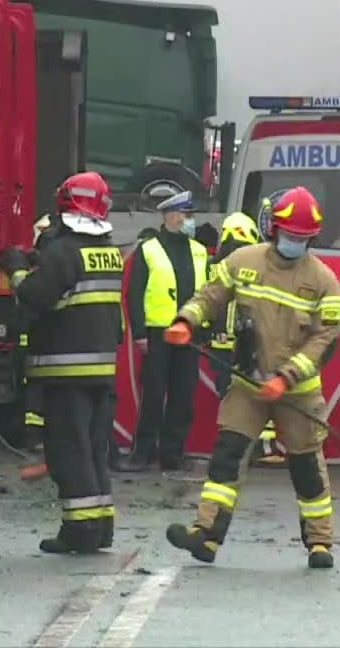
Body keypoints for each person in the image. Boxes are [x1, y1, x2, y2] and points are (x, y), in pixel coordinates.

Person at [164, 186, 340, 569]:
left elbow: (324, 341)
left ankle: (320, 543)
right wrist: (186, 321)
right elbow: (210, 296)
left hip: (298, 392)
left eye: (303, 238)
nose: (295, 243)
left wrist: (286, 377)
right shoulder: (243, 261)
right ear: (274, 229)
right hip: (248, 384)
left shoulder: (324, 281)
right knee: (227, 456)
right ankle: (207, 534)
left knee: (306, 467)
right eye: (290, 235)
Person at [2, 171, 124, 554]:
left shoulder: (63, 252)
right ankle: (101, 527)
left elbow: (35, 296)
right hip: (101, 370)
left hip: (65, 371)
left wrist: (16, 268)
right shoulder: (109, 251)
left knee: (69, 453)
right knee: (94, 451)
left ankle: (81, 531)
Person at [119, 190, 209, 472]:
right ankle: (143, 453)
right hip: (158, 334)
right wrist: (140, 333)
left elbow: (207, 293)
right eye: (186, 214)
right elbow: (135, 294)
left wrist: (205, 328)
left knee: (183, 397)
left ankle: (172, 455)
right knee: (154, 396)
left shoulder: (199, 250)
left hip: (189, 333)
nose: (190, 220)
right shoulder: (149, 249)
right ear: (170, 216)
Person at [208, 212, 285, 467]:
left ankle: (241, 449)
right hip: (246, 344)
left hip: (222, 346)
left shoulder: (216, 268)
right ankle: (259, 448)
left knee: (233, 399)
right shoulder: (252, 267)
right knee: (254, 395)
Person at [20, 212, 58, 482]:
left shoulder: (40, 271)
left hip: (38, 340)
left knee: (37, 389)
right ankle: (37, 438)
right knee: (40, 390)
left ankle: (36, 438)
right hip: (42, 340)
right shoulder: (50, 268)